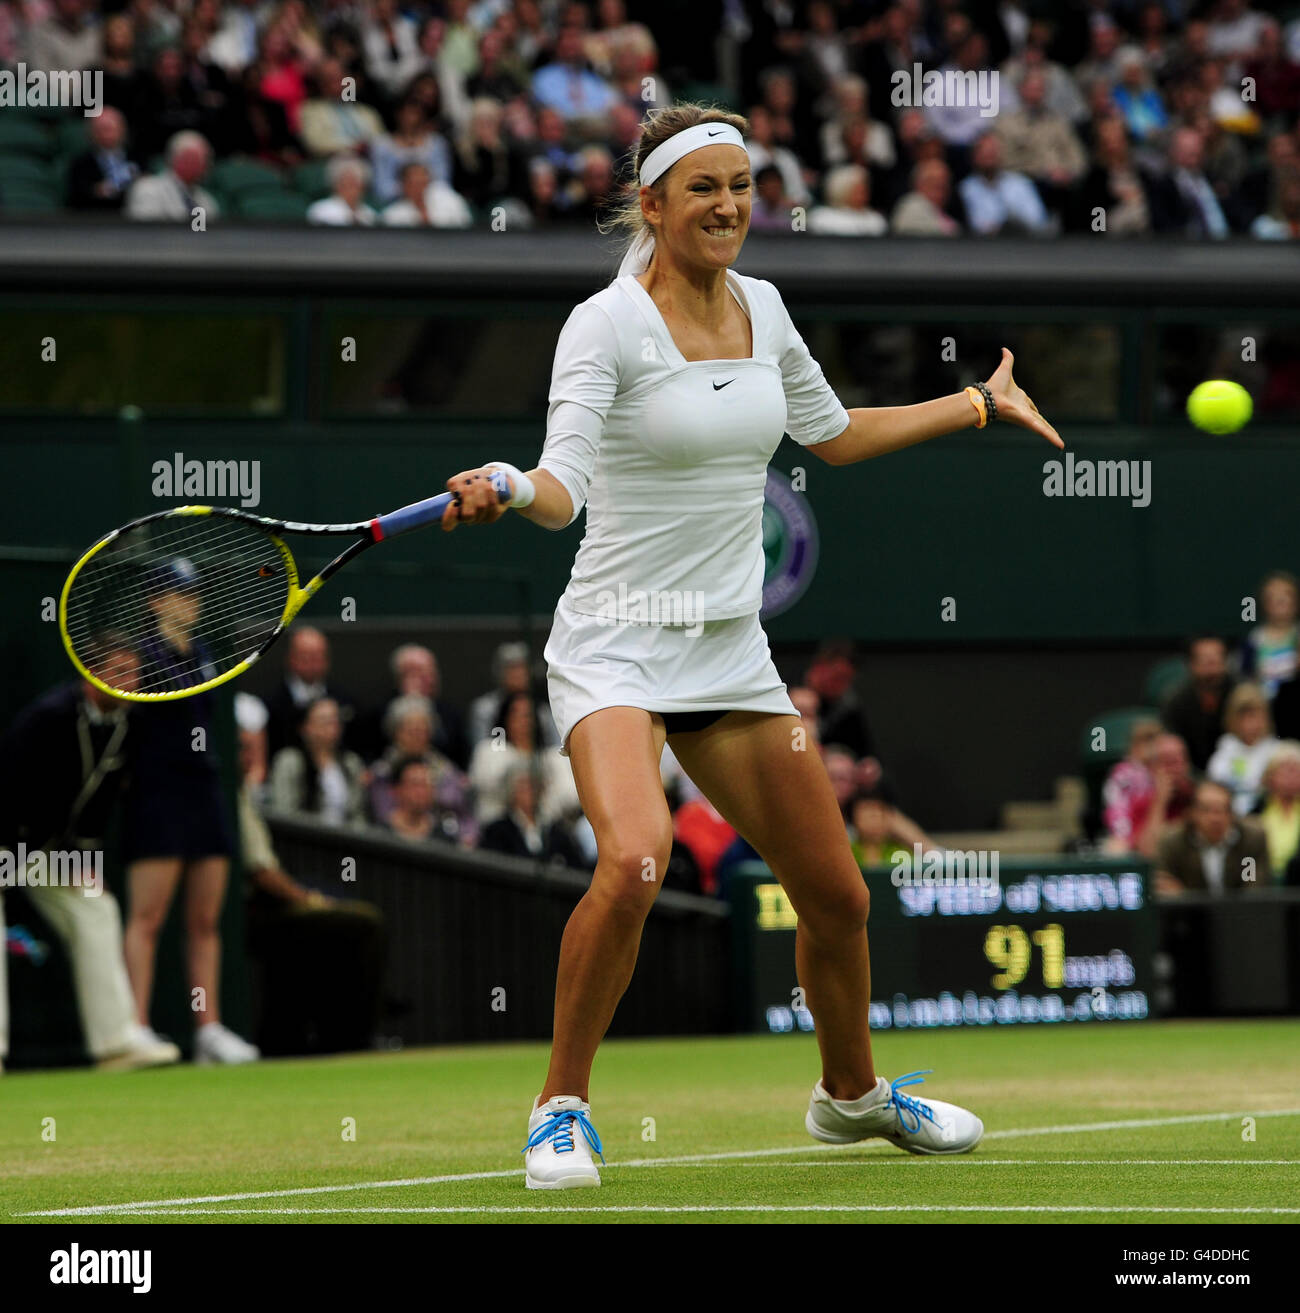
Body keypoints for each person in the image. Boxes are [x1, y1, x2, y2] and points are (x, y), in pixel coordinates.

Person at [436, 103, 1062, 1187]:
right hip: (617, 646)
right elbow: (563, 488)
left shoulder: (765, 307)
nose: (728, 205)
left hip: (730, 651)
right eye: (702, 188)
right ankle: (559, 1107)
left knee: (840, 895)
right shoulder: (605, 323)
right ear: (653, 204)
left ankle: (849, 1096)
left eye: (741, 185)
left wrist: (974, 403)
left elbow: (833, 431)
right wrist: (507, 484)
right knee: (635, 860)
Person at [0, 644, 180, 1073]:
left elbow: (98, 810)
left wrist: (84, 859)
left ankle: (115, 1042)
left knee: (96, 905)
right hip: (7, 836)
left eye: (134, 673)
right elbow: (8, 789)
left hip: (49, 850)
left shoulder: (131, 724)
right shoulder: (48, 717)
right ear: (89, 674)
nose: (129, 682)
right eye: (118, 671)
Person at [120, 559, 258, 1064]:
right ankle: (133, 1029)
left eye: (195, 592)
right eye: (181, 593)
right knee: (148, 918)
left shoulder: (201, 652)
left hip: (205, 792)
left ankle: (209, 1031)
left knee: (204, 920)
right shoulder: (141, 655)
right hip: (158, 795)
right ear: (156, 599)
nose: (192, 600)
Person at [1154, 779, 1270, 894]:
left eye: (1221, 810)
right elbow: (1165, 884)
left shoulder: (1251, 840)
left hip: (1240, 911)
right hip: (1188, 912)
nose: (1215, 818)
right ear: (1193, 813)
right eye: (1206, 810)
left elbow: (1254, 887)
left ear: (1232, 814)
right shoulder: (1173, 842)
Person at [267, 697, 368, 826]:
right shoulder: (290, 761)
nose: (333, 726)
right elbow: (284, 811)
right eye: (325, 721)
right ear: (305, 727)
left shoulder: (351, 763)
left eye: (336, 720)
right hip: (303, 838)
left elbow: (359, 815)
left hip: (346, 841)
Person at [1163, 635, 1237, 771]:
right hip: (1190, 773)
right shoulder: (1176, 700)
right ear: (1190, 663)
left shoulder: (1241, 694)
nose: (1211, 662)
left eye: (1217, 657)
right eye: (1204, 658)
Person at [1206, 682, 1278, 815]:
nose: (1250, 723)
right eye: (1243, 716)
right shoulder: (1224, 751)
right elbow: (1215, 786)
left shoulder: (1277, 752)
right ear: (1232, 719)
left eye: (1255, 715)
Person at [1239, 570, 1298, 695]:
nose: (1280, 600)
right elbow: (1245, 678)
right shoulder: (1255, 639)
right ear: (1264, 603)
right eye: (1273, 596)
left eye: (1286, 595)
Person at [1254, 740, 1300, 877]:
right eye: (1286, 770)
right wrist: (1249, 891)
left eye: (1296, 770)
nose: (1291, 777)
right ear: (1270, 775)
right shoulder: (1256, 811)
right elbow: (1247, 857)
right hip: (1262, 882)